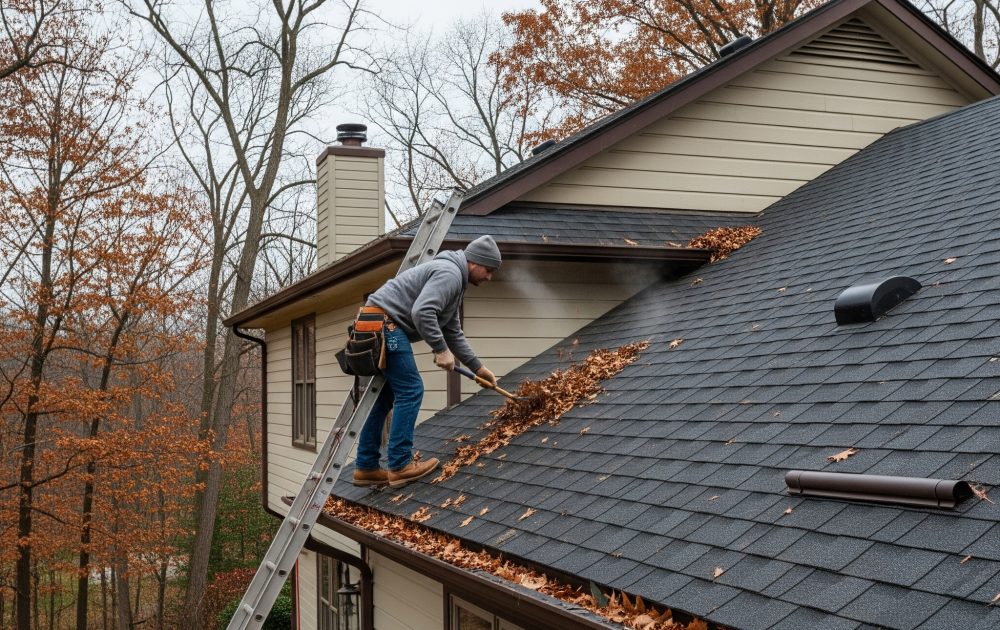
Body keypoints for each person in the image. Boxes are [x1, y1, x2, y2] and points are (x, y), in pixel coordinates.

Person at [352, 235, 501, 488]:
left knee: (385, 397)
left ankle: (366, 467)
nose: (489, 277)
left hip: (373, 323)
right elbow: (422, 312)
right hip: (385, 325)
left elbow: (452, 331)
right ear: (475, 262)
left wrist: (478, 367)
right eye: (488, 270)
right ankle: (400, 466)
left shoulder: (454, 280)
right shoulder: (450, 274)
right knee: (411, 390)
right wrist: (440, 350)